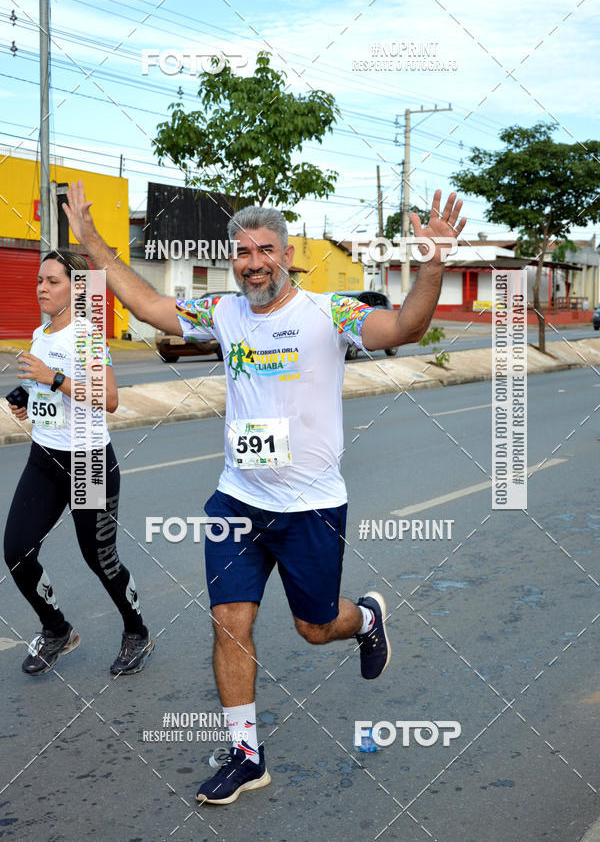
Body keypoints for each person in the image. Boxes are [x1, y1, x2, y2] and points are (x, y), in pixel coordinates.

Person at [62, 181, 466, 803]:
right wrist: (93, 244)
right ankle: (247, 756)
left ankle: (365, 619)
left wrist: (433, 263)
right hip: (237, 503)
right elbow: (148, 307)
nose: (254, 264)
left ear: (287, 254)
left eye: (265, 251)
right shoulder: (222, 313)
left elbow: (406, 327)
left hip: (310, 507)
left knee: (314, 626)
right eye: (242, 254)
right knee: (229, 623)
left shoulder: (331, 313)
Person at [3, 250, 154, 677]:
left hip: (89, 462)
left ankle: (137, 631)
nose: (41, 289)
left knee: (100, 558)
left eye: (52, 281)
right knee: (17, 551)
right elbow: (46, 389)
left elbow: (109, 399)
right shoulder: (40, 333)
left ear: (74, 288)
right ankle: (57, 631)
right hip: (45, 458)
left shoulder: (88, 337)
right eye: (39, 281)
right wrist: (26, 397)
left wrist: (53, 377)